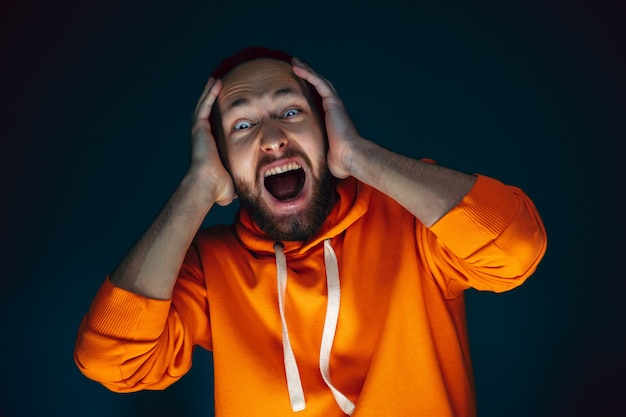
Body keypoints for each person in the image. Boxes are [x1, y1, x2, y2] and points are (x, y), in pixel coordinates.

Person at [74, 46, 547, 416]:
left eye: (291, 112)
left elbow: (517, 248)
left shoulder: (412, 218)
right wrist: (197, 187)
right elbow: (110, 360)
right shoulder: (208, 269)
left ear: (326, 131)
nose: (272, 137)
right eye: (242, 124)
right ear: (221, 159)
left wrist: (358, 156)